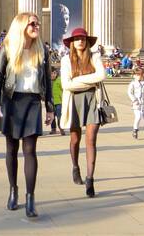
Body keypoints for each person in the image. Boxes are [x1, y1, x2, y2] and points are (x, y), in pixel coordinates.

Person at [0, 12, 54, 218]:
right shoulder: (8, 48)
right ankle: (12, 191)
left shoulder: (42, 50)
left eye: (37, 23)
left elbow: (47, 82)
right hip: (11, 101)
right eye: (32, 24)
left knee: (30, 150)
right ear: (21, 27)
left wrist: (50, 108)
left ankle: (30, 198)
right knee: (11, 149)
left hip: (33, 102)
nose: (37, 26)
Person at [59, 27, 104, 197]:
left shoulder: (94, 57)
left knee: (91, 140)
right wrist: (89, 81)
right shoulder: (65, 60)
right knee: (75, 139)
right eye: (77, 38)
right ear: (71, 42)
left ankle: (90, 179)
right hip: (74, 102)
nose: (80, 41)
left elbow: (101, 76)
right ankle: (75, 167)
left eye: (83, 39)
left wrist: (77, 80)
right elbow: (66, 85)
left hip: (93, 100)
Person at [49, 66, 64, 136]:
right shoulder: (49, 82)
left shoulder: (60, 80)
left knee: (59, 116)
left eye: (51, 74)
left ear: (55, 73)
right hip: (51, 102)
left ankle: (61, 128)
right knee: (52, 116)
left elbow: (63, 89)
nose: (51, 76)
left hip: (59, 102)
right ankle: (53, 129)